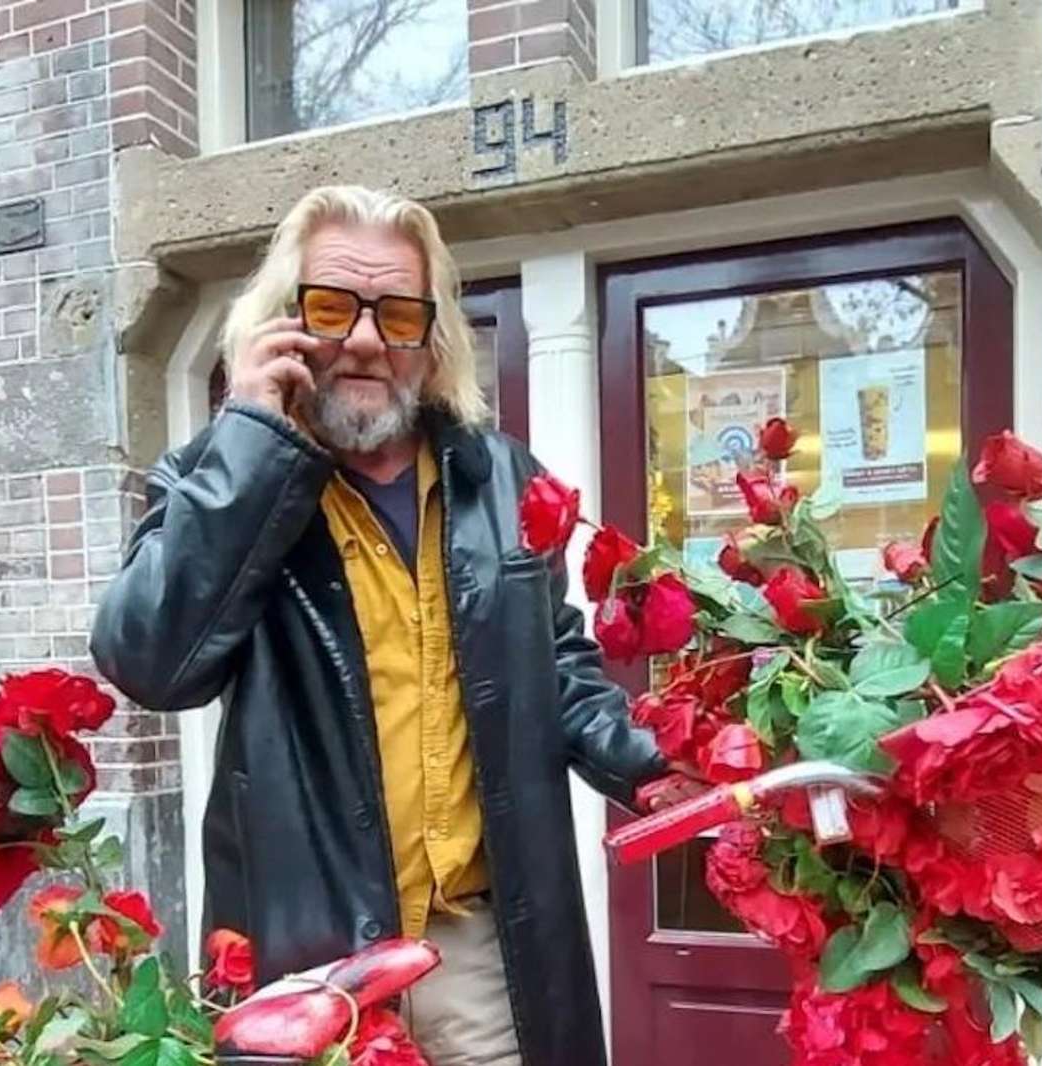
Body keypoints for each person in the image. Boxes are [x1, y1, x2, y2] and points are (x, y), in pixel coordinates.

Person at [90, 185, 699, 1066]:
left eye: (398, 314)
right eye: (333, 307)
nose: (367, 339)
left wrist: (657, 766)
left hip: (479, 955)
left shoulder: (499, 477)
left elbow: (555, 664)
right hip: (311, 964)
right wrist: (254, 438)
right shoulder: (217, 477)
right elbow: (150, 660)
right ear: (282, 322)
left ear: (432, 334)